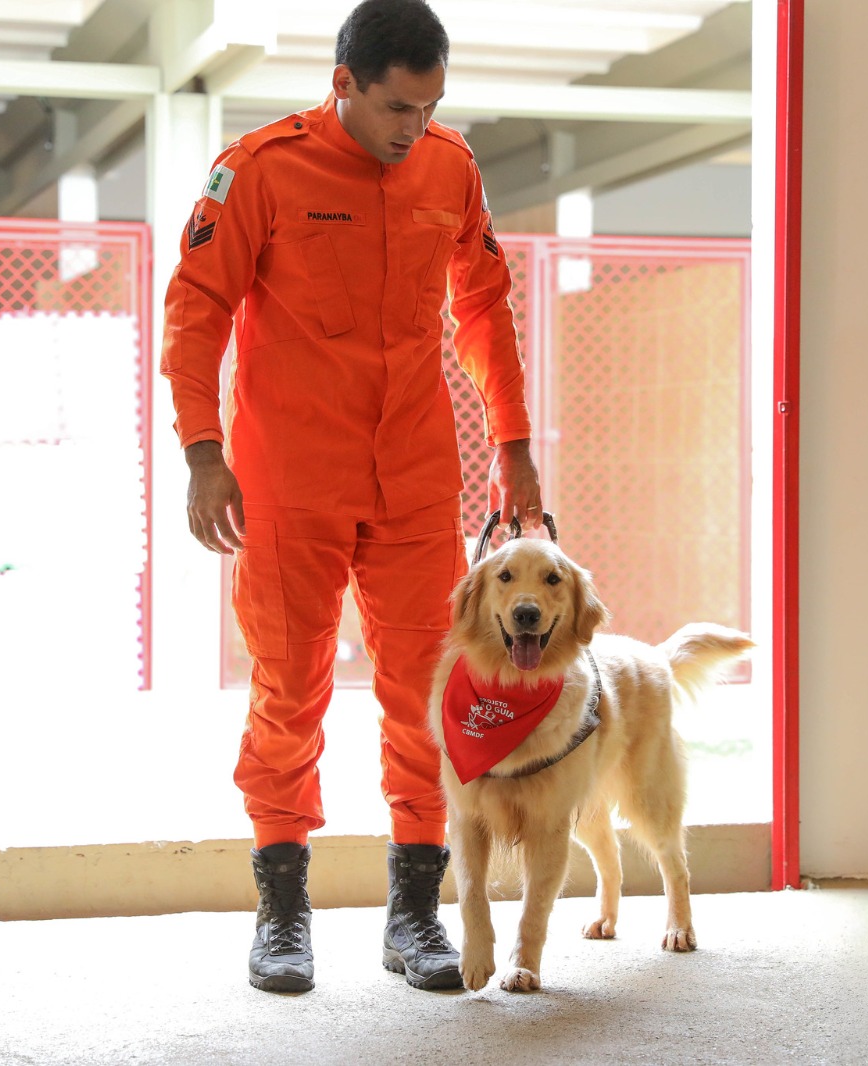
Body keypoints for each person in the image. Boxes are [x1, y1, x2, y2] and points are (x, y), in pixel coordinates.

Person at [160, 0, 542, 994]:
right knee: (290, 689)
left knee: (430, 693)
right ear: (343, 85)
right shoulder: (261, 169)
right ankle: (281, 911)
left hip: (415, 476)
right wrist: (203, 449)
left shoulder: (450, 169)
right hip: (290, 478)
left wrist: (514, 445)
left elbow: (483, 307)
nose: (411, 127)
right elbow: (196, 305)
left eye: (428, 107)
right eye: (395, 108)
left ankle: (415, 913)